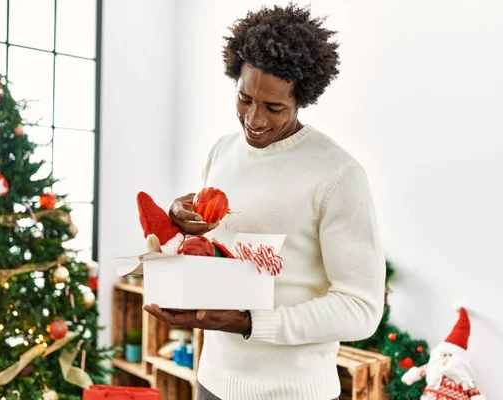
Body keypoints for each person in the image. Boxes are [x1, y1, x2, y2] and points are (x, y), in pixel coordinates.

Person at [143, 4, 386, 399]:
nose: (254, 120)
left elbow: (361, 309)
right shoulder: (221, 152)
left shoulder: (339, 175)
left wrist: (250, 323)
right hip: (212, 383)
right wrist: (179, 219)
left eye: (274, 108)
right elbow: (217, 255)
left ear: (302, 98)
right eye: (244, 98)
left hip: (293, 392)